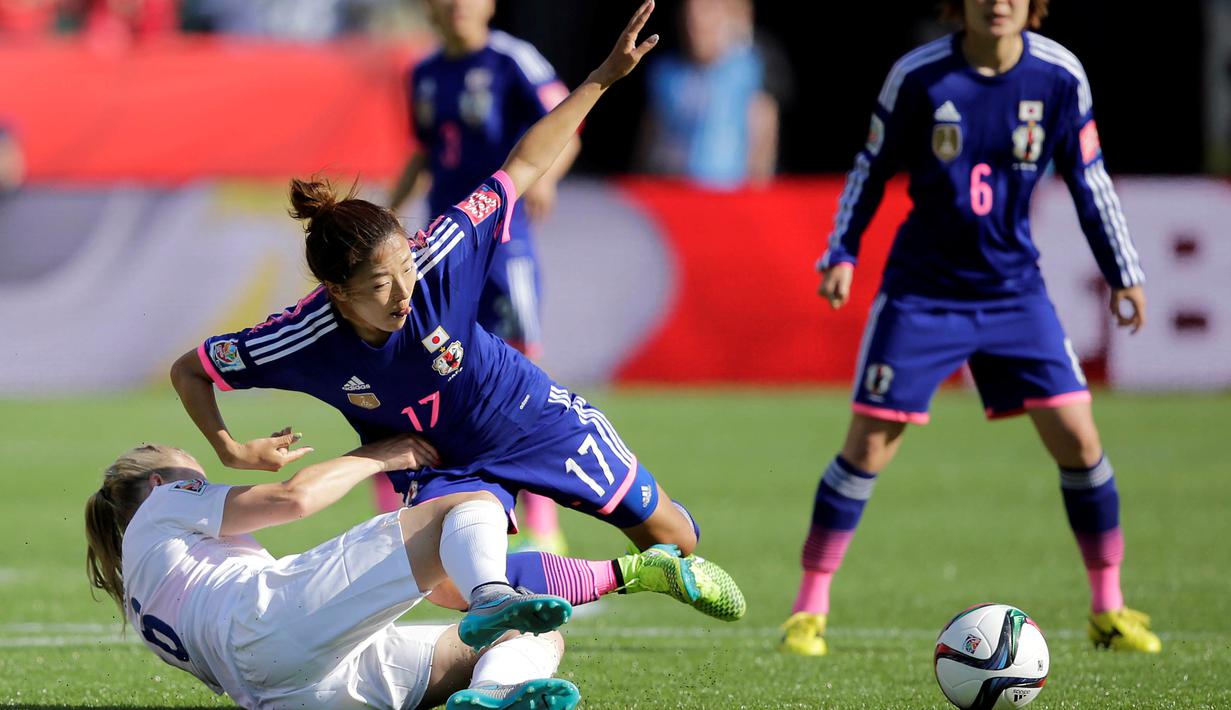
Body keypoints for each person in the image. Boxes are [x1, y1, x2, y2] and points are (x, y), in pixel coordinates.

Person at [170, 0, 745, 624]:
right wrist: (230, 448)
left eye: (404, 272)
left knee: (679, 542)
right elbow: (191, 370)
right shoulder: (301, 338)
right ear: (336, 291)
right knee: (445, 582)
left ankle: (651, 559)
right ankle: (623, 579)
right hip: (439, 457)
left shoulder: (440, 251)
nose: (403, 295)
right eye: (379, 286)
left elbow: (521, 165)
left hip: (527, 415)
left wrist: (605, 76)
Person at [780, 0, 1160, 656]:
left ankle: (1108, 608)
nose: (999, 3)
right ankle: (807, 610)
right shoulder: (919, 77)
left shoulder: (1059, 77)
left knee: (1077, 436)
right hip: (922, 294)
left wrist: (1123, 271)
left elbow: (1087, 179)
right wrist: (841, 251)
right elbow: (870, 167)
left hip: (1014, 291)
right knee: (868, 447)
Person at [84, 438, 581, 709]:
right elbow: (293, 498)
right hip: (266, 627)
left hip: (285, 690)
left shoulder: (141, 589)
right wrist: (379, 455)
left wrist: (448, 575)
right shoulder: (165, 504)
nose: (210, 487)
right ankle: (490, 595)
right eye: (198, 478)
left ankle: (493, 694)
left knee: (536, 635)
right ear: (158, 484)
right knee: (472, 501)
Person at [385, 0, 582, 552]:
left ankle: (545, 527)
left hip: (504, 244)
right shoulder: (423, 74)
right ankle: (441, 509)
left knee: (523, 375)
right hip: (442, 250)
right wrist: (385, 218)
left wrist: (548, 177)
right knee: (436, 374)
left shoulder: (514, 60)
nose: (457, 6)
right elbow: (426, 154)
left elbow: (569, 127)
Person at [636, 0, 779, 189]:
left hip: (727, 197)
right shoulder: (664, 75)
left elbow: (764, 124)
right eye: (690, 12)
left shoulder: (748, 71)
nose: (696, 22)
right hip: (671, 195)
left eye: (708, 11)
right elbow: (649, 142)